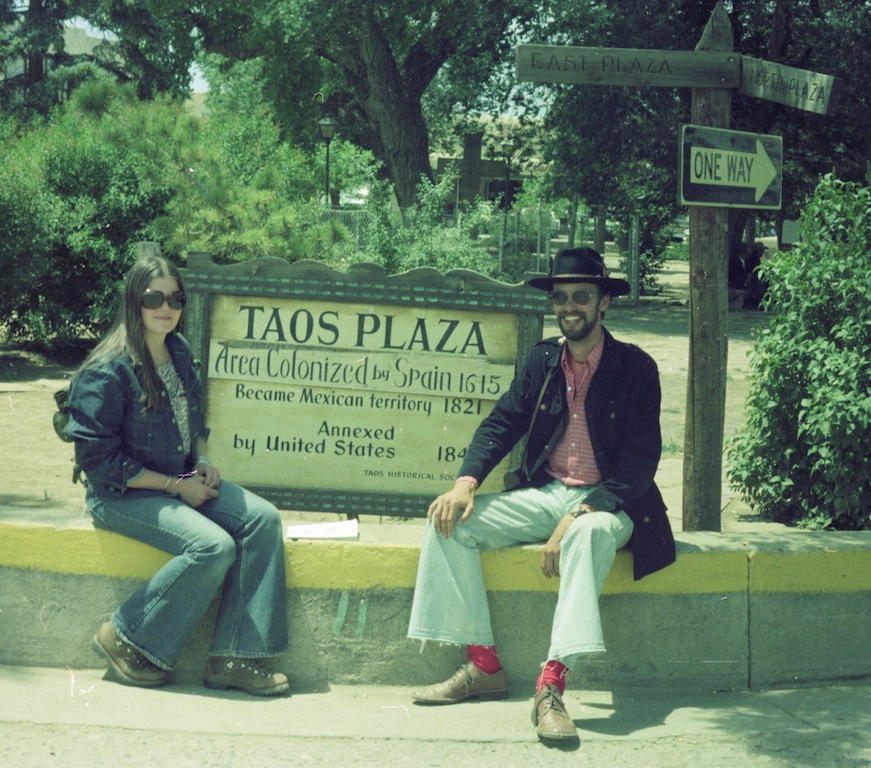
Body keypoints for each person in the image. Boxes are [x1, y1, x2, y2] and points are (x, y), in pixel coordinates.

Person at [407, 247, 675, 741]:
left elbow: (640, 463)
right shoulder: (544, 360)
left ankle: (551, 685)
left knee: (587, 536)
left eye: (581, 296)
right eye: (560, 297)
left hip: (612, 503)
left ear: (603, 303)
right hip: (549, 493)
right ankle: (484, 666)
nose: (569, 307)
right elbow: (502, 422)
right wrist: (465, 483)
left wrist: (579, 514)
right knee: (449, 521)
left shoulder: (635, 368)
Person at [66, 254, 289, 696]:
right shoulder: (107, 370)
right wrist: (175, 486)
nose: (165, 308)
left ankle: (234, 658)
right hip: (121, 494)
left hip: (178, 478)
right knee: (213, 546)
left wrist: (201, 459)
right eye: (154, 298)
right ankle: (125, 637)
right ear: (134, 301)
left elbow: (194, 417)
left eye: (175, 298)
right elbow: (98, 460)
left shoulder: (178, 351)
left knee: (263, 519)